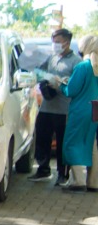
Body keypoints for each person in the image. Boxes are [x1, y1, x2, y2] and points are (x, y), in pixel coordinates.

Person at [31, 28, 81, 184]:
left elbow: (76, 85)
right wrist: (46, 78)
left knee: (62, 143)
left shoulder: (76, 62)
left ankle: (62, 174)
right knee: (42, 137)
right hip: (46, 106)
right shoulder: (52, 58)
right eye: (53, 42)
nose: (55, 45)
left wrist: (59, 82)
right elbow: (39, 72)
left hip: (64, 109)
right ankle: (43, 169)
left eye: (58, 42)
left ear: (67, 42)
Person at [60, 35, 98, 192]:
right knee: (92, 144)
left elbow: (71, 90)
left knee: (72, 142)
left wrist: (61, 84)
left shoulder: (83, 67)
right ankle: (94, 182)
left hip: (81, 110)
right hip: (95, 109)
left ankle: (78, 181)